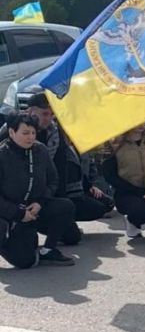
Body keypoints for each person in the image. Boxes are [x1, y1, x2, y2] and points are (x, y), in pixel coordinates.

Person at [22, 93, 114, 243]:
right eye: (44, 114)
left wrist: (60, 206)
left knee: (72, 235)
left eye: (52, 114)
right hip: (18, 197)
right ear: (31, 112)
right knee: (25, 257)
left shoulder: (54, 132)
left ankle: (52, 227)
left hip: (45, 194)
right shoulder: (11, 132)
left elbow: (60, 168)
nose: (49, 118)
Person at [0, 113, 76, 267]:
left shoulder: (41, 150)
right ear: (12, 133)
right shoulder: (2, 155)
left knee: (65, 207)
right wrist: (18, 213)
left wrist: (40, 202)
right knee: (25, 262)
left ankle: (48, 250)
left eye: (33, 133)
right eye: (25, 133)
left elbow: (53, 180)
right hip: (10, 213)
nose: (30, 137)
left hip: (35, 208)